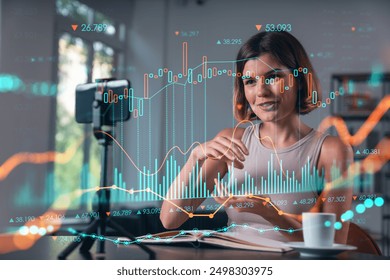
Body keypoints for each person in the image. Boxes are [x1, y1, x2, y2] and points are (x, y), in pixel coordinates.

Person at [160, 31, 353, 244]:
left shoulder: (332, 150)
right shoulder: (232, 140)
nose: (261, 92)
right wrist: (195, 158)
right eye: (250, 81)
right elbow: (170, 219)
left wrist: (269, 211)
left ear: (299, 79)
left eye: (272, 77)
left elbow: (335, 242)